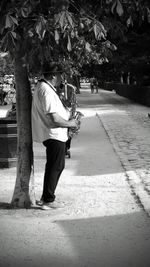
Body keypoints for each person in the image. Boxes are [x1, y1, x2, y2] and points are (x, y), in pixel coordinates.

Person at [32, 62, 78, 210]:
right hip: (54, 134)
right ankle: (48, 200)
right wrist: (71, 123)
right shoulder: (46, 90)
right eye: (59, 75)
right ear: (53, 75)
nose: (61, 78)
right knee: (55, 166)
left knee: (55, 166)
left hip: (54, 133)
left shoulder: (44, 87)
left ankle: (46, 197)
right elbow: (54, 119)